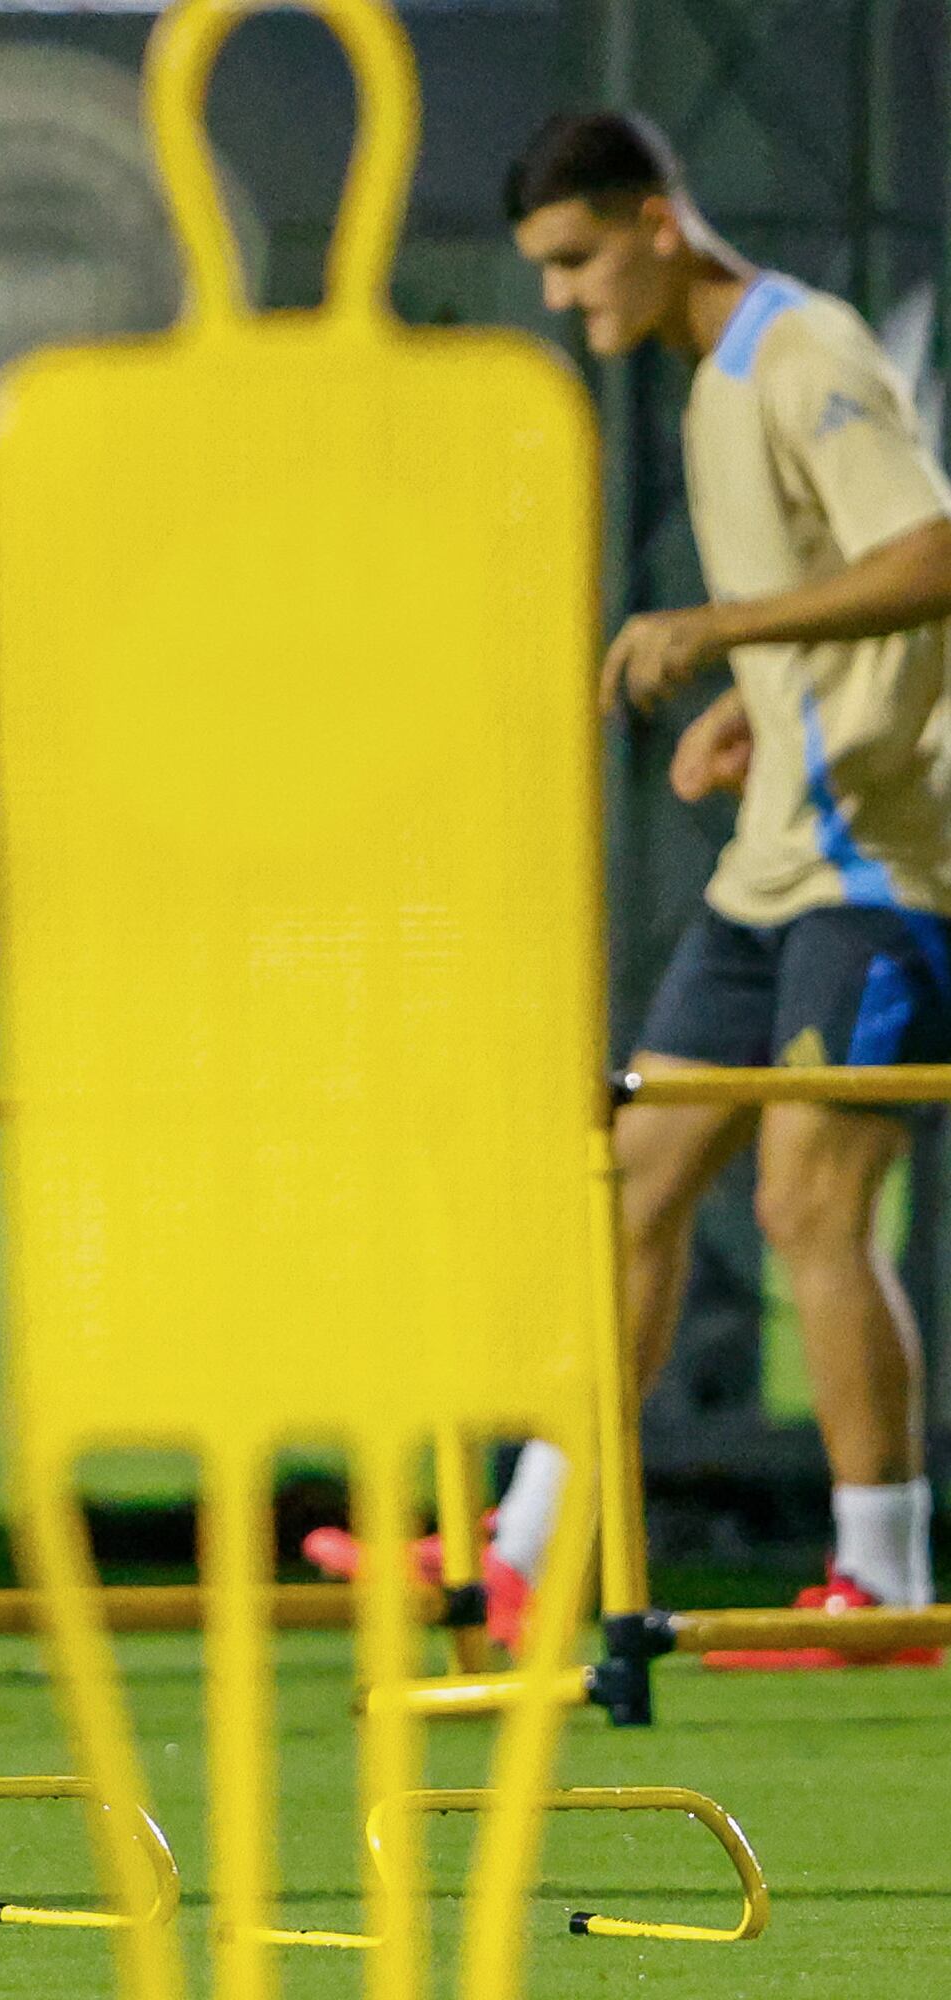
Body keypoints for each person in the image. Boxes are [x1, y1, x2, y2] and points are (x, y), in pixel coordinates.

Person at [310, 112, 951, 1669]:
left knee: (810, 1203)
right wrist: (768, 697)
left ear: (660, 223)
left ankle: (886, 1583)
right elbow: (851, 588)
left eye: (577, 260)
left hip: (883, 868)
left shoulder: (805, 350)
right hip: (778, 861)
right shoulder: (715, 377)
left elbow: (934, 549)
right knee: (633, 1177)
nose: (560, 297)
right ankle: (523, 1556)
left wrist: (726, 636)